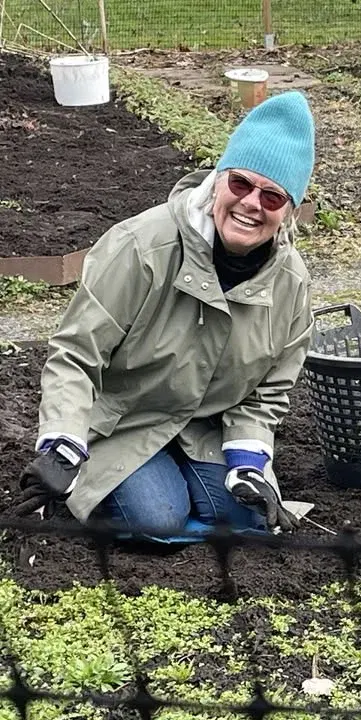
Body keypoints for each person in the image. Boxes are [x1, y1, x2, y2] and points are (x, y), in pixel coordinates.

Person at [12, 91, 317, 541]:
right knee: (156, 518)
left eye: (272, 197)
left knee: (251, 518)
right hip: (123, 421)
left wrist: (250, 462)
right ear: (217, 180)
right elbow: (76, 355)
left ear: (289, 211)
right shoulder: (141, 247)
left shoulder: (290, 284)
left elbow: (268, 391)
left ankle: (187, 479)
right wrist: (62, 442)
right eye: (240, 184)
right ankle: (119, 482)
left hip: (203, 428)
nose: (252, 203)